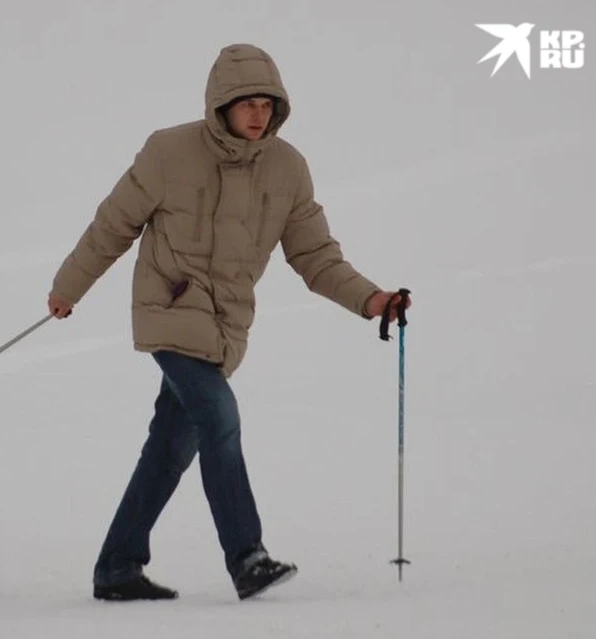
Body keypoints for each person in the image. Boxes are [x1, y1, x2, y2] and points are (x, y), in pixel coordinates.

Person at [47, 43, 411, 601]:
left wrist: (372, 300)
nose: (258, 114)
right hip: (167, 311)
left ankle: (117, 567)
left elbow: (316, 257)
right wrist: (68, 288)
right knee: (219, 418)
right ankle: (248, 557)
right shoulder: (168, 152)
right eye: (247, 103)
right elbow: (112, 226)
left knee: (170, 447)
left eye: (267, 103)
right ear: (221, 105)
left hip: (225, 329)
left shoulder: (288, 168)